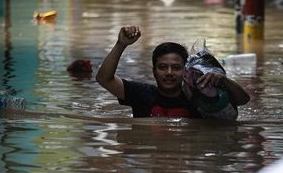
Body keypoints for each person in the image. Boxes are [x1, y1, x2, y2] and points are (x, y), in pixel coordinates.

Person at [96, 26, 250, 118]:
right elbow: (104, 79)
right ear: (154, 71)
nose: (169, 73)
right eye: (162, 67)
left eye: (176, 68)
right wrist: (120, 44)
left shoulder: (198, 97)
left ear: (186, 71)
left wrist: (223, 80)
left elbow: (243, 100)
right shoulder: (141, 94)